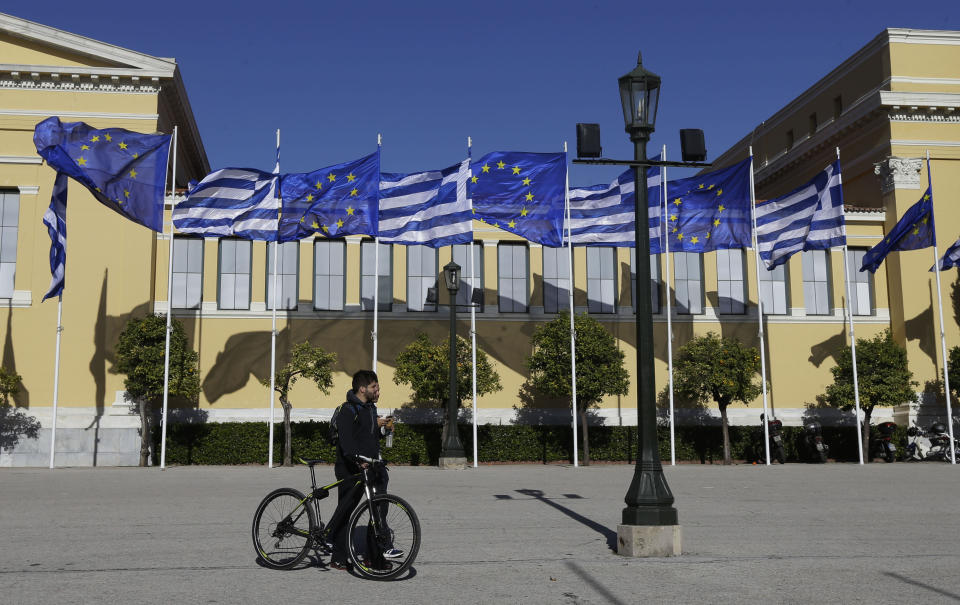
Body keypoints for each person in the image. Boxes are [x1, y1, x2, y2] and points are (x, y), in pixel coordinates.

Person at [329, 369, 400, 570]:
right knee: (346, 509)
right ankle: (338, 556)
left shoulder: (369, 408)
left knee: (378, 510)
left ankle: (374, 557)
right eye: (373, 386)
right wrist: (357, 460)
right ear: (362, 388)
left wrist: (383, 430)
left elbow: (368, 437)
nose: (377, 390)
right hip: (350, 468)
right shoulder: (348, 409)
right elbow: (347, 441)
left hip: (373, 466)